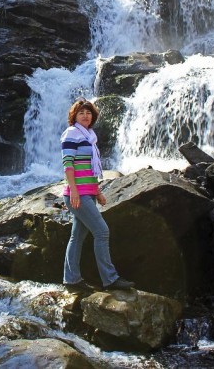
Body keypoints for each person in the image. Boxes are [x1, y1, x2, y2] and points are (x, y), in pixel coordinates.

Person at [60, 97, 135, 292]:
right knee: (102, 231)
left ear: (93, 116)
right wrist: (74, 191)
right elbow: (68, 164)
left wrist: (97, 192)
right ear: (74, 116)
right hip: (77, 195)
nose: (85, 115)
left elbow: (89, 169)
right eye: (81, 113)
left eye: (88, 112)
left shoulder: (90, 137)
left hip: (88, 193)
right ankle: (110, 279)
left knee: (76, 237)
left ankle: (71, 280)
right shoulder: (72, 133)